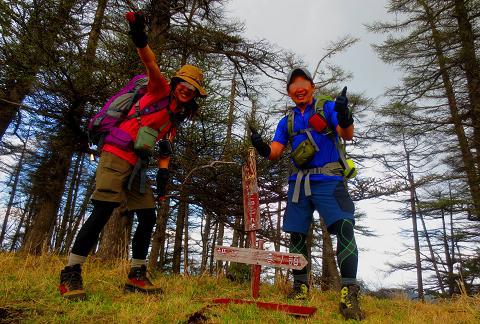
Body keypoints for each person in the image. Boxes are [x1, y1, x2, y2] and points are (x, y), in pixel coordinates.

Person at [58, 12, 207, 300]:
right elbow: (149, 61)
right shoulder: (159, 88)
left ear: (195, 94)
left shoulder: (176, 117)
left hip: (137, 165)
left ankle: (136, 275)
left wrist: (163, 183)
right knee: (102, 211)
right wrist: (138, 34)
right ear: (176, 82)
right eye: (184, 84)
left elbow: (164, 152)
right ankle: (71, 273)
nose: (186, 90)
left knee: (148, 216)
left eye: (193, 89)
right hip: (116, 154)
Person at [250, 68, 364, 320]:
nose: (299, 88)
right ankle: (300, 288)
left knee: (345, 226)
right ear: (289, 93)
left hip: (330, 179)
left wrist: (344, 115)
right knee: (297, 234)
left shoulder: (329, 107)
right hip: (298, 183)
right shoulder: (287, 120)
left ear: (312, 86)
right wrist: (260, 146)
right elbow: (275, 152)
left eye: (303, 83)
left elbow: (347, 135)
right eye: (293, 86)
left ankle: (349, 292)